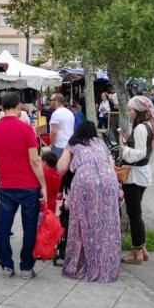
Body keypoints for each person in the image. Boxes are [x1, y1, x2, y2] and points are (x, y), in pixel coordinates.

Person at [0, 92, 49, 278]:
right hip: (28, 185)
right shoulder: (26, 129)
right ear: (18, 107)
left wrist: (0, 175)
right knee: (29, 227)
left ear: (2, 108)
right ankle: (26, 266)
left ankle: (6, 264)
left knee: (3, 226)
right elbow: (35, 160)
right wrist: (43, 185)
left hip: (7, 185)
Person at [57, 121, 121, 282]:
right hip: (109, 180)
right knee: (106, 223)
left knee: (81, 221)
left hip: (85, 181)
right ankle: (105, 263)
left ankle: (79, 263)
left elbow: (61, 168)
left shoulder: (73, 143)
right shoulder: (101, 143)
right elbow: (111, 166)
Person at [119, 95, 154, 264]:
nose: (128, 113)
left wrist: (124, 149)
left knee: (134, 213)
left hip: (135, 175)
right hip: (141, 173)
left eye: (130, 110)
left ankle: (137, 251)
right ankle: (141, 248)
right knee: (136, 212)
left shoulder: (141, 128)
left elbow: (140, 152)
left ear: (139, 111)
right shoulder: (149, 125)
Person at [41, 149, 61, 214]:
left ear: (45, 163)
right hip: (52, 205)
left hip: (42, 205)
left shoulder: (43, 174)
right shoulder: (57, 175)